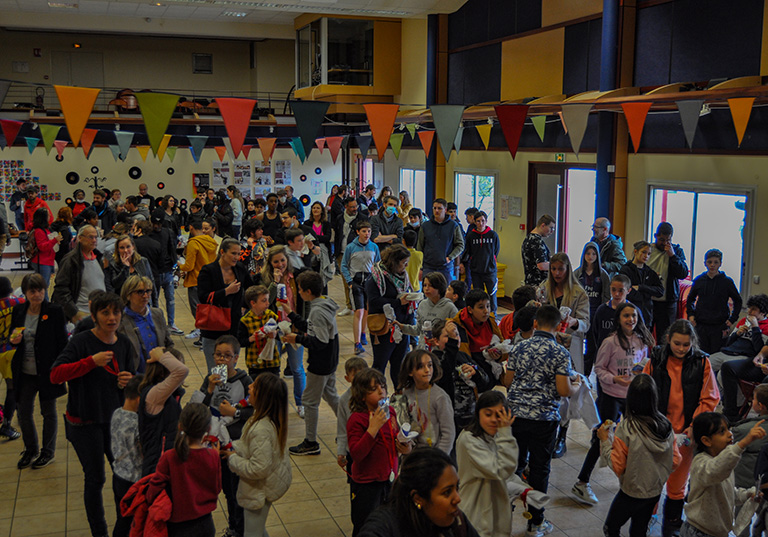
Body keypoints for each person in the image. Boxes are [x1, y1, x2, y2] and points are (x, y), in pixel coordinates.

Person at [50, 292, 136, 537]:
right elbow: (55, 374)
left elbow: (133, 382)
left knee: (124, 477)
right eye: (105, 313)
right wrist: (90, 362)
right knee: (96, 478)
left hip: (115, 423)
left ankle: (123, 528)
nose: (112, 318)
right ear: (95, 316)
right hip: (84, 422)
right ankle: (99, 533)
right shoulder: (81, 342)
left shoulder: (124, 343)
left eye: (116, 312)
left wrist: (129, 382)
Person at [503, 305, 579, 536]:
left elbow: (508, 381)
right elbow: (563, 390)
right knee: (539, 468)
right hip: (544, 419)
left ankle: (503, 515)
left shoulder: (519, 347)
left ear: (535, 324)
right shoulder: (560, 353)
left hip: (516, 415)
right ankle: (536, 522)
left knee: (513, 466)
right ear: (559, 327)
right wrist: (575, 387)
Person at [642, 319, 720, 536]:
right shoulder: (656, 358)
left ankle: (672, 528)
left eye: (686, 345)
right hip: (658, 431)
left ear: (692, 343)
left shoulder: (702, 362)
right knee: (652, 480)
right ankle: (648, 517)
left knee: (677, 484)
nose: (682, 349)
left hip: (686, 433)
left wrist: (695, 425)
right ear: (668, 340)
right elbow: (644, 391)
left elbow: (710, 398)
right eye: (677, 343)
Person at [571, 302, 654, 505]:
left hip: (632, 397)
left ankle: (628, 478)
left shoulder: (641, 341)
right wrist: (614, 379)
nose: (630, 320)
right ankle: (582, 482)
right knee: (602, 437)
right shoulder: (610, 342)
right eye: (626, 316)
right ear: (618, 319)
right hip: (610, 397)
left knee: (634, 437)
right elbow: (598, 369)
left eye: (633, 316)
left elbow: (644, 364)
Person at [597, 374, 681, 537]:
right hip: (654, 491)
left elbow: (618, 465)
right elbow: (676, 460)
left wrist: (605, 441)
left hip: (631, 492)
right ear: (654, 397)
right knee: (639, 530)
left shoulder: (626, 428)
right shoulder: (665, 425)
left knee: (611, 528)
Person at [194, 335, 252, 537]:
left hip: (237, 444)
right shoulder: (209, 379)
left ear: (236, 358)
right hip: (215, 444)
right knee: (226, 490)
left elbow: (254, 410)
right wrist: (209, 389)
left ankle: (241, 529)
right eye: (218, 355)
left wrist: (235, 413)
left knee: (238, 491)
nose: (222, 360)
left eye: (227, 356)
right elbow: (198, 409)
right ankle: (233, 526)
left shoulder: (245, 381)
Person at [10, 273, 68, 469]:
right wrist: (14, 340)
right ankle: (31, 449)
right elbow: (13, 334)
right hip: (25, 372)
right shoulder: (18, 311)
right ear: (25, 293)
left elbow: (62, 343)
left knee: (48, 412)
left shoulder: (54, 311)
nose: (37, 295)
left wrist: (60, 370)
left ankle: (48, 452)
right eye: (32, 291)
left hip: (47, 371)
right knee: (23, 412)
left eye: (40, 290)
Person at [223, 373, 292, 537]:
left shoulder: (261, 429)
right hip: (264, 485)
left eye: (254, 387)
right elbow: (250, 447)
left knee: (252, 533)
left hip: (259, 489)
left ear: (263, 397)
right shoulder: (261, 417)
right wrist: (231, 446)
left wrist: (232, 458)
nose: (249, 387)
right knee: (258, 530)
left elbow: (258, 469)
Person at [357, 447, 480, 537]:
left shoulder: (457, 521)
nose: (458, 498)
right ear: (418, 498)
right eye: (447, 492)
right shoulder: (384, 526)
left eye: (456, 487)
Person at [282, 271, 341, 456]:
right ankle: (350, 425)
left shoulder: (317, 311)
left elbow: (319, 342)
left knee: (309, 401)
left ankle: (311, 442)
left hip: (321, 362)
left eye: (299, 289)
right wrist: (291, 314)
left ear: (308, 291)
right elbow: (313, 329)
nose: (298, 292)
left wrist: (296, 338)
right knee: (330, 394)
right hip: (330, 359)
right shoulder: (324, 302)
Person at [347, 367, 411, 535]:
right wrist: (372, 429)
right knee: (365, 526)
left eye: (382, 386)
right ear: (362, 395)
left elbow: (394, 439)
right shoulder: (357, 419)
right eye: (374, 389)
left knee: (389, 523)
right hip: (367, 484)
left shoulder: (389, 411)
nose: (381, 391)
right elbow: (357, 454)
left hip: (389, 479)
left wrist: (405, 446)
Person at [682, 412, 765, 537]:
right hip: (699, 532)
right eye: (722, 432)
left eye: (728, 429)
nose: (730, 434)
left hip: (718, 532)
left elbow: (728, 494)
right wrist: (743, 443)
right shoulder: (701, 463)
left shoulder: (723, 462)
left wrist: (748, 494)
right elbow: (715, 470)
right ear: (706, 440)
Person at [147, 403, 221, 537]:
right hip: (206, 524)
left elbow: (153, 490)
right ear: (208, 429)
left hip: (178, 526)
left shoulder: (170, 457)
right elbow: (217, 488)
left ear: (180, 425)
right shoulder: (213, 456)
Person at [456, 391, 519, 537]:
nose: (493, 420)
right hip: (476, 512)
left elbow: (508, 473)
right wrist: (506, 435)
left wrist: (523, 489)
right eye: (488, 414)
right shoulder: (469, 440)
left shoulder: (497, 436)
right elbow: (499, 469)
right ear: (478, 414)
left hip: (496, 510)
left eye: (499, 415)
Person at [259, 245, 305, 416]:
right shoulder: (265, 279)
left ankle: (301, 403)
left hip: (293, 327)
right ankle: (276, 404)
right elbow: (265, 301)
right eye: (276, 262)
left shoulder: (296, 277)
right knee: (274, 368)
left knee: (297, 368)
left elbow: (302, 303)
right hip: (274, 329)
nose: (280, 264)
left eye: (283, 260)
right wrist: (274, 283)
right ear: (270, 263)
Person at [197, 238, 253, 370]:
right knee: (215, 370)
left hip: (233, 326)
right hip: (213, 326)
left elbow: (251, 289)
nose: (237, 257)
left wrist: (244, 305)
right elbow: (203, 297)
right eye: (233, 253)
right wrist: (226, 292)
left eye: (239, 254)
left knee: (230, 369)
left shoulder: (239, 269)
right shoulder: (208, 271)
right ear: (222, 252)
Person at [430, 319, 492, 435]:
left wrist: (475, 373)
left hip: (469, 417)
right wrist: (452, 344)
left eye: (457, 335)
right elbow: (445, 372)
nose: (455, 339)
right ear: (436, 341)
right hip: (447, 419)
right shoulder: (434, 360)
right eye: (448, 336)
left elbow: (485, 382)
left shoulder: (463, 356)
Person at [366, 244, 414, 386]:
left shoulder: (402, 275)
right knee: (380, 364)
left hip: (402, 325)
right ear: (394, 262)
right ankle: (377, 394)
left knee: (399, 366)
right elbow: (374, 301)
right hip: (384, 328)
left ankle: (398, 395)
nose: (406, 266)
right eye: (404, 262)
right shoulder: (376, 277)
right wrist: (398, 302)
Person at [137, 346, 188, 476]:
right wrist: (160, 355)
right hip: (158, 468)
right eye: (175, 364)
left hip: (169, 464)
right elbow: (182, 371)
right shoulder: (154, 394)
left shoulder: (170, 395)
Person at [396, 349, 455, 454]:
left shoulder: (440, 397)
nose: (427, 370)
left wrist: (439, 458)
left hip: (435, 456)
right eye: (420, 367)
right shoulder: (407, 393)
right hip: (414, 455)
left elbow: (448, 433)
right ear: (410, 372)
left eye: (430, 365)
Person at [539, 252, 590, 374]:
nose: (557, 273)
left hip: (570, 341)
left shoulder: (580, 293)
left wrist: (574, 321)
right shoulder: (543, 288)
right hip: (547, 341)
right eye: (554, 269)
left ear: (568, 269)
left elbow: (586, 324)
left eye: (561, 269)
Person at [687, 248, 743, 354]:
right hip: (701, 324)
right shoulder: (699, 280)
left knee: (716, 354)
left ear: (720, 264)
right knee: (700, 353)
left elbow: (738, 301)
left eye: (716, 262)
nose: (712, 265)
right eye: (709, 262)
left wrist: (732, 319)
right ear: (705, 263)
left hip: (719, 325)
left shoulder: (727, 282)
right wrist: (691, 315)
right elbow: (690, 299)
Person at [118, 275, 174, 374]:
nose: (145, 296)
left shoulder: (157, 314)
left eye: (148, 291)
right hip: (136, 378)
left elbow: (168, 343)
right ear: (128, 295)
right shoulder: (120, 320)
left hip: (161, 374)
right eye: (140, 292)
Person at [52, 225, 106, 322]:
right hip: (82, 314)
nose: (94, 240)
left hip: (99, 313)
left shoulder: (98, 258)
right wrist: (73, 313)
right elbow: (61, 289)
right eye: (90, 237)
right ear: (80, 238)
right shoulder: (71, 260)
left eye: (96, 237)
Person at [110, 374, 143, 537]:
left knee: (121, 518)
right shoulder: (137, 423)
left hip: (118, 475)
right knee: (131, 523)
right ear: (139, 399)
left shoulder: (117, 412)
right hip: (133, 481)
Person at [341, 221, 381, 354]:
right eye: (364, 231)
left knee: (367, 310)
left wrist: (377, 280)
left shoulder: (374, 247)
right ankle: (357, 343)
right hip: (356, 282)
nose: (367, 234)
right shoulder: (350, 247)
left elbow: (378, 265)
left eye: (369, 231)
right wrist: (350, 282)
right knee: (359, 310)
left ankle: (363, 333)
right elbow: (344, 266)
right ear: (358, 232)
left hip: (370, 283)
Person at [451, 289, 506, 384]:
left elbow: (504, 349)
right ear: (470, 309)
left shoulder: (491, 322)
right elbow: (462, 358)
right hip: (472, 374)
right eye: (481, 307)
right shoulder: (458, 326)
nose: (486, 311)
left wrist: (498, 356)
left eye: (488, 306)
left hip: (491, 371)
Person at [178, 218, 218, 342]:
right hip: (210, 279)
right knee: (207, 309)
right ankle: (205, 334)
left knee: (198, 310)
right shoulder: (211, 241)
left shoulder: (193, 243)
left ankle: (203, 337)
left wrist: (179, 265)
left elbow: (189, 266)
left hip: (196, 279)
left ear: (191, 228)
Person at [574, 242, 611, 376]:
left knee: (592, 346)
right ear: (583, 255)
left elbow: (607, 295)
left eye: (594, 254)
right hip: (581, 314)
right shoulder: (577, 273)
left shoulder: (603, 275)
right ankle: (577, 371)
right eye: (588, 253)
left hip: (596, 313)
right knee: (577, 344)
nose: (590, 256)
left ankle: (586, 373)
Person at [648, 222, 689, 340]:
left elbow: (683, 273)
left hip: (668, 301)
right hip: (649, 300)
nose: (665, 243)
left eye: (668, 240)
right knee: (644, 334)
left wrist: (672, 256)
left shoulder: (676, 250)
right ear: (656, 236)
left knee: (665, 337)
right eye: (662, 240)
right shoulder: (648, 249)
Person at [398, 272, 457, 348]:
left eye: (430, 286)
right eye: (425, 285)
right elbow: (418, 330)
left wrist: (439, 340)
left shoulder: (450, 307)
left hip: (440, 351)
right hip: (423, 350)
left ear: (439, 287)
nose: (426, 288)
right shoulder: (422, 304)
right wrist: (401, 327)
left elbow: (455, 334)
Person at [149, 209, 182, 334]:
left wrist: (176, 269)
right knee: (154, 300)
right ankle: (156, 325)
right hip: (154, 272)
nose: (157, 226)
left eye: (159, 224)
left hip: (167, 271)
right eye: (154, 224)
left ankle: (171, 324)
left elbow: (172, 250)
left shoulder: (168, 232)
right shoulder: (148, 233)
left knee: (170, 298)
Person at [335, 197, 369, 316]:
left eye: (356, 206)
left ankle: (361, 305)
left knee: (359, 280)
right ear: (346, 207)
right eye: (352, 207)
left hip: (357, 253)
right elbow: (338, 235)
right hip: (342, 252)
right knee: (346, 281)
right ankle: (349, 305)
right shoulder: (340, 218)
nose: (355, 209)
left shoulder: (362, 218)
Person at [416, 198, 464, 283]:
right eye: (434, 208)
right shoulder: (425, 226)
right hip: (428, 266)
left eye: (439, 208)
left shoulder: (454, 226)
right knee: (428, 292)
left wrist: (450, 257)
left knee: (446, 293)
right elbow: (420, 247)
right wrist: (420, 267)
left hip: (446, 267)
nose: (436, 211)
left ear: (445, 210)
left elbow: (460, 245)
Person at [238, 284, 280, 378]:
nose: (268, 303)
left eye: (268, 300)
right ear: (253, 303)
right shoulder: (245, 321)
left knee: (273, 389)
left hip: (272, 362)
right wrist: (251, 339)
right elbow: (240, 341)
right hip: (255, 363)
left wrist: (275, 334)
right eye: (264, 300)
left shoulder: (272, 316)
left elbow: (281, 333)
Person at [620, 240, 664, 329]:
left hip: (646, 316)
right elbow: (626, 291)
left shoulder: (649, 272)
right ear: (636, 252)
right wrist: (646, 296)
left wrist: (641, 287)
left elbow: (660, 291)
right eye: (644, 252)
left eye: (649, 254)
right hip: (630, 315)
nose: (646, 256)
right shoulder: (626, 270)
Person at [731, 384, 768, 489]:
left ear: (760, 406)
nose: (752, 400)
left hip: (747, 485)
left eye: (754, 399)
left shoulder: (742, 430)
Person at [463, 210, 500, 314]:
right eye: (478, 221)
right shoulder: (471, 236)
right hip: (476, 270)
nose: (481, 223)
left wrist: (491, 261)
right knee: (478, 295)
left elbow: (496, 251)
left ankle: (493, 315)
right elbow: (468, 251)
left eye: (483, 221)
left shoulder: (493, 235)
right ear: (475, 222)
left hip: (490, 270)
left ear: (486, 221)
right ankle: (479, 313)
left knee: (492, 294)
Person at [0, 277, 23, 441]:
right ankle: (6, 425)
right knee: (13, 390)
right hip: (13, 351)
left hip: (0, 351)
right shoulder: (17, 302)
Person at [336, 357, 368, 471]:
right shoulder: (344, 400)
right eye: (355, 375)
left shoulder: (374, 395)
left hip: (372, 448)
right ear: (347, 378)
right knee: (355, 482)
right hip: (353, 450)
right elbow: (342, 428)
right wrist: (341, 451)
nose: (359, 379)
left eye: (362, 374)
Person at [27, 207, 62, 299]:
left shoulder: (46, 229)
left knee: (44, 285)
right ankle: (45, 305)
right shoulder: (39, 231)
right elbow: (42, 247)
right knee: (43, 286)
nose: (50, 216)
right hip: (42, 261)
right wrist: (54, 240)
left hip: (47, 261)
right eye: (48, 215)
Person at [592, 274, 634, 349]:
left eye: (621, 291)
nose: (616, 294)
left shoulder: (634, 312)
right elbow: (595, 333)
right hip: (605, 352)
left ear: (628, 291)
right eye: (613, 289)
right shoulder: (602, 310)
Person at [521, 214, 556, 286]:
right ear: (543, 225)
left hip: (529, 282)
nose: (552, 231)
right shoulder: (537, 241)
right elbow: (542, 265)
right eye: (551, 228)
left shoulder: (528, 238)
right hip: (538, 284)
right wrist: (557, 265)